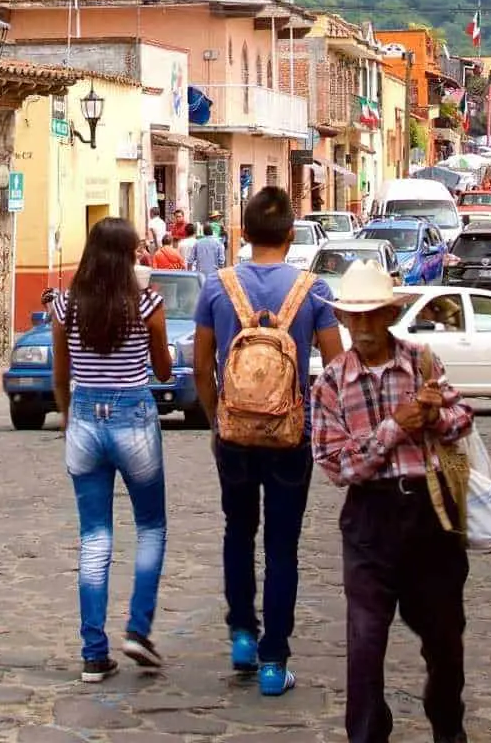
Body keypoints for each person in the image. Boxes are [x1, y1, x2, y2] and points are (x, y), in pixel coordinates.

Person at [311, 258, 475, 743]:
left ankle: (448, 728)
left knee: (445, 640)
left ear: (389, 315)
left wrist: (433, 419)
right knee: (364, 642)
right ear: (341, 320)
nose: (362, 325)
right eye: (353, 316)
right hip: (370, 518)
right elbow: (337, 465)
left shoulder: (421, 361)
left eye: (372, 314)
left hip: (431, 514)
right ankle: (366, 735)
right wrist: (395, 427)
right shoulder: (331, 383)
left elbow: (462, 415)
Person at [193, 186, 344, 695]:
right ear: (289, 233)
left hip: (233, 435)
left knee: (238, 531)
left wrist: (218, 419)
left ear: (247, 230)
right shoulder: (312, 291)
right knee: (283, 547)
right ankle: (274, 661)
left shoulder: (218, 288)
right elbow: (338, 365)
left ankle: (241, 633)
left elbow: (200, 365)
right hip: (288, 434)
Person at [51, 217, 172, 682]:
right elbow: (162, 372)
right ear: (127, 258)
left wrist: (66, 415)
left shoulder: (66, 307)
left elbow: (61, 377)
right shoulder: (147, 305)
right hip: (134, 418)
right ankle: (139, 629)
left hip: (83, 418)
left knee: (94, 536)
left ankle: (93, 652)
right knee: (150, 527)